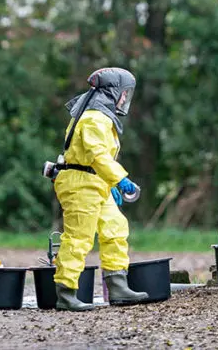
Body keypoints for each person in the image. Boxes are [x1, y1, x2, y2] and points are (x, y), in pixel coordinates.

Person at [52, 67, 148, 311]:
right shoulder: (94, 118)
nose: (125, 98)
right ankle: (66, 293)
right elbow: (97, 155)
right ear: (113, 92)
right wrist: (120, 179)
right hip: (80, 184)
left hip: (94, 181)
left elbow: (98, 159)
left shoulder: (101, 116)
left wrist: (109, 182)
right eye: (124, 93)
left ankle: (118, 287)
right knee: (78, 237)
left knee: (115, 227)